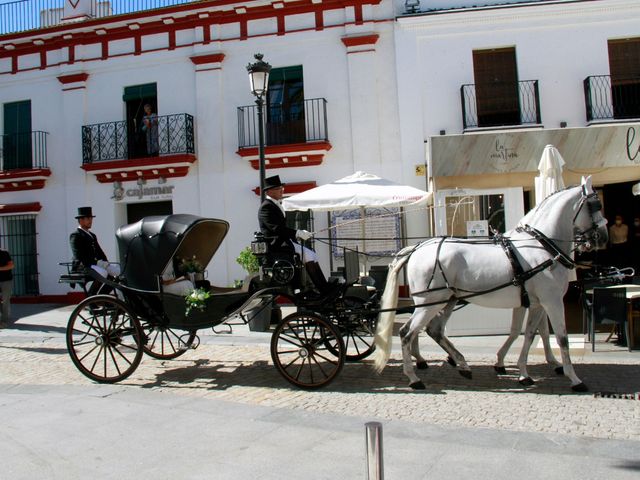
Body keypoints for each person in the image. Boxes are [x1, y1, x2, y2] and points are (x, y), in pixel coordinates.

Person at [258, 175, 331, 294]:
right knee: (309, 256)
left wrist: (299, 234)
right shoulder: (266, 207)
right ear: (269, 191)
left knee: (312, 255)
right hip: (278, 245)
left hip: (286, 241)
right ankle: (322, 289)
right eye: (278, 188)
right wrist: (297, 233)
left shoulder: (274, 204)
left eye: (282, 188)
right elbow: (276, 228)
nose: (282, 190)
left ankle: (322, 286)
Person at [69, 206, 120, 296]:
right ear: (81, 220)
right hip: (84, 266)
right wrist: (97, 263)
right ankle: (91, 298)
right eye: (88, 218)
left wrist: (105, 262)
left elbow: (99, 251)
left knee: (118, 272)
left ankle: (102, 297)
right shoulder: (76, 235)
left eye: (91, 218)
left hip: (96, 264)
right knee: (103, 273)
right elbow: (78, 255)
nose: (90, 221)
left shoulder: (92, 235)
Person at [0, 247, 14, 328]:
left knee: (5, 300)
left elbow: (11, 266)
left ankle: (4, 320)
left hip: (6, 280)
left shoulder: (4, 254)